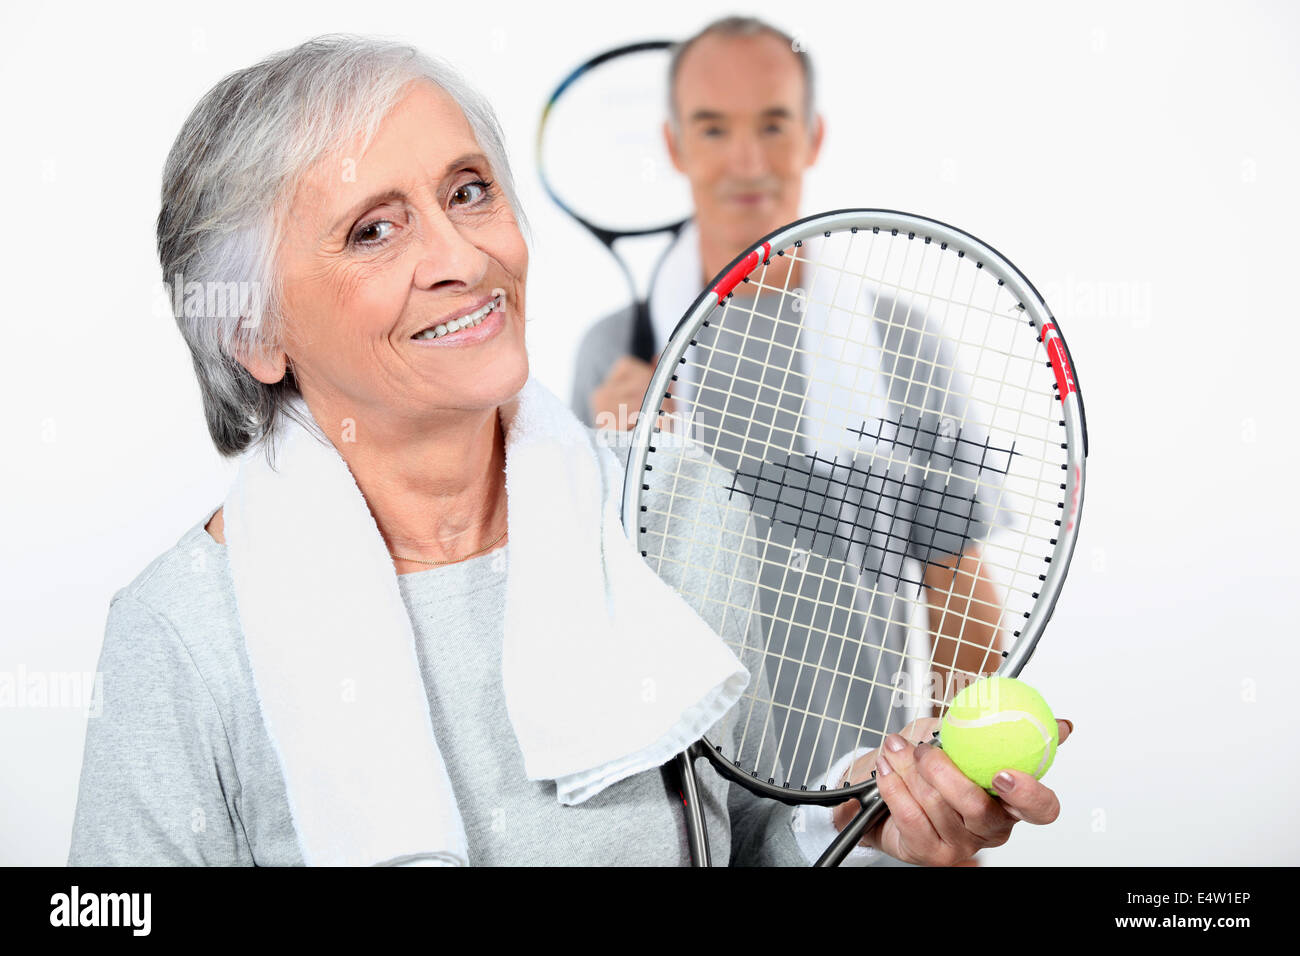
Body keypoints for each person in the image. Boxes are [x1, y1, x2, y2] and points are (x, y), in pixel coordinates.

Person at [67, 33, 1069, 868]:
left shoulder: (677, 508)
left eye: (467, 191)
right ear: (252, 331)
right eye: (373, 229)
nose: (461, 257)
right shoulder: (180, 632)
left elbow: (752, 829)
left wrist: (875, 826)